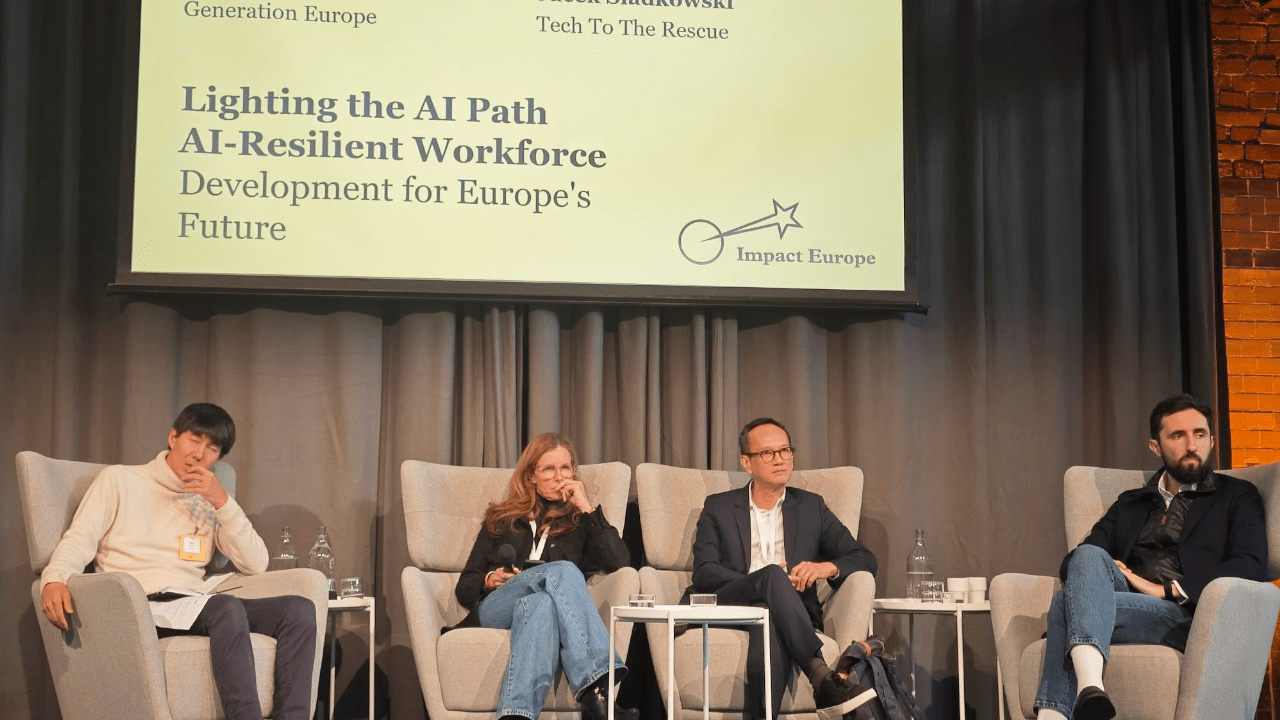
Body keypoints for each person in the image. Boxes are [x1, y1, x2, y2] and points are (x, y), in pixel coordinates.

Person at [39, 403, 317, 720]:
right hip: (140, 603)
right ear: (173, 437)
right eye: (194, 440)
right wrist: (55, 577)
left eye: (212, 449)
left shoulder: (209, 501)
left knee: (298, 609)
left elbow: (256, 563)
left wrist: (223, 502)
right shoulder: (119, 480)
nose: (199, 454)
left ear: (218, 459)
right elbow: (79, 538)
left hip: (194, 602)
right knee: (225, 608)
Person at [1033, 394, 1268, 720]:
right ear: (1156, 446)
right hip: (1124, 602)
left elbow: (1251, 563)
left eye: (1200, 434)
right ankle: (1091, 690)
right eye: (1178, 435)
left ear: (1212, 440)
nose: (1192, 445)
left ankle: (1061, 709)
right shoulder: (1130, 502)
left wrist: (1167, 589)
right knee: (1087, 554)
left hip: (1187, 614)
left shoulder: (1236, 495)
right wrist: (1107, 573)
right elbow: (1072, 562)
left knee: (1064, 604)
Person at [691, 417, 879, 720]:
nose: (780, 459)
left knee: (770, 614)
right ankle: (821, 676)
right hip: (731, 601)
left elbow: (865, 558)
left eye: (785, 450)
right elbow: (704, 571)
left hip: (786, 611)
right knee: (771, 576)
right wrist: (762, 579)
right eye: (767, 453)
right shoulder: (719, 507)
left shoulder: (811, 507)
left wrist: (825, 567)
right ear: (746, 463)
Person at [455, 433, 639, 720]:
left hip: (536, 610)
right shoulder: (501, 518)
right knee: (564, 571)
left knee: (540, 603)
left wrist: (586, 507)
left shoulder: (580, 522)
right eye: (549, 469)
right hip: (497, 608)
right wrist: (489, 579)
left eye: (566, 468)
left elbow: (620, 563)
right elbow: (465, 585)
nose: (559, 476)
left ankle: (515, 715)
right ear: (531, 475)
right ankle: (596, 691)